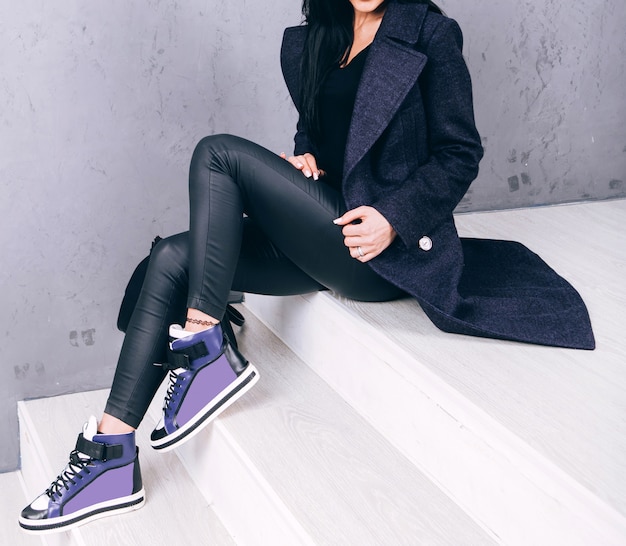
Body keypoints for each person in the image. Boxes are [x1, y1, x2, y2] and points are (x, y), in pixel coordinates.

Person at [19, 0, 594, 534]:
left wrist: (394, 217)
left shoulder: (430, 33)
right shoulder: (318, 38)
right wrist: (307, 158)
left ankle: (203, 347)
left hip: (376, 249)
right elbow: (316, 131)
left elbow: (459, 152)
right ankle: (113, 453)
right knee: (171, 256)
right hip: (324, 227)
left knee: (217, 153)